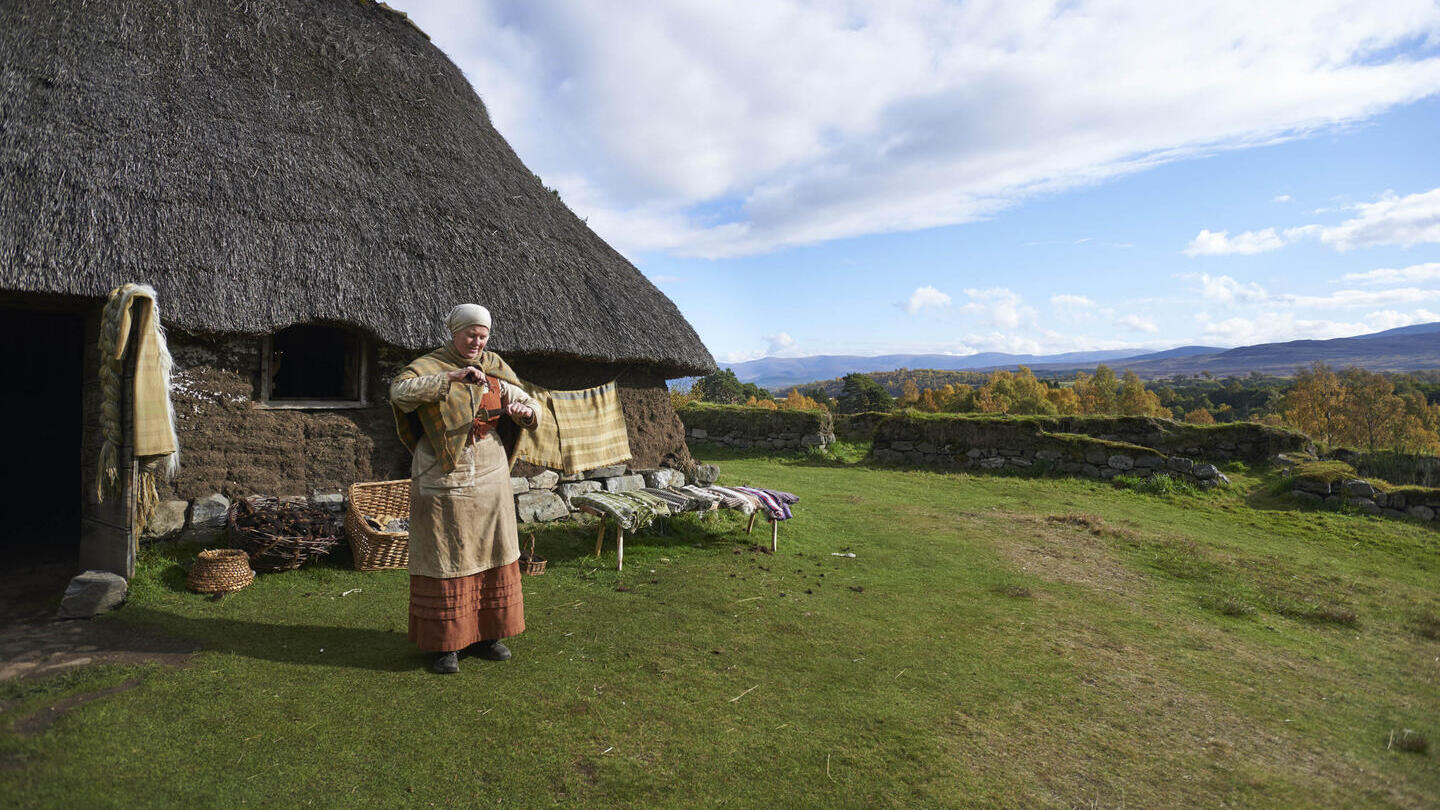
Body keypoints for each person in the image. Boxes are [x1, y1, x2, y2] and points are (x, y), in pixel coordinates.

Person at [389, 304, 540, 674]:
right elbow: (399, 392)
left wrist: (525, 412)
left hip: (489, 469)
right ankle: (446, 645)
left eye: (482, 335)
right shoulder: (432, 365)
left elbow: (526, 399)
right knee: (447, 549)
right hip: (441, 472)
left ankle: (489, 635)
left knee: (492, 547)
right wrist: (453, 377)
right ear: (454, 332)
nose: (477, 341)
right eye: (470, 334)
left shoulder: (495, 367)